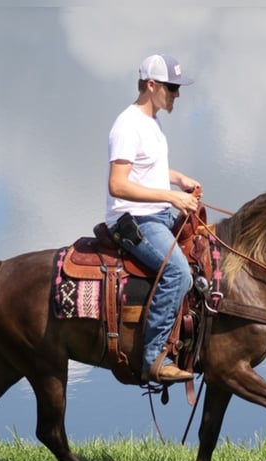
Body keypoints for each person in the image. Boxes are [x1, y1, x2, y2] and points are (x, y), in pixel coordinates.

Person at [106, 54, 201, 383]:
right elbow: (117, 184)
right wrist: (172, 196)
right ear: (151, 85)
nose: (177, 94)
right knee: (177, 271)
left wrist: (177, 179)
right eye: (172, 87)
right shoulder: (128, 125)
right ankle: (154, 358)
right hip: (132, 221)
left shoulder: (152, 123)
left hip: (156, 215)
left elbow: (148, 170)